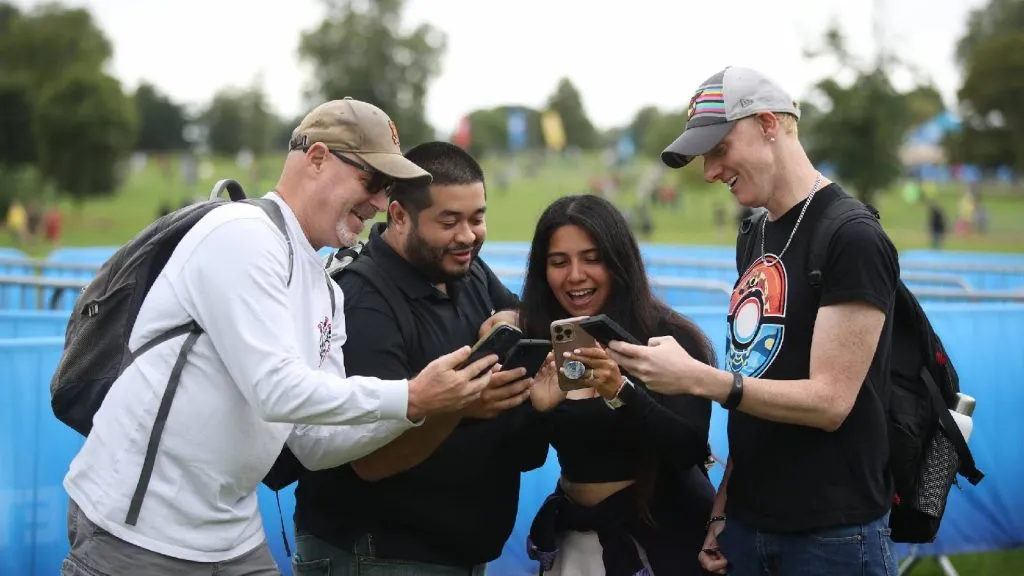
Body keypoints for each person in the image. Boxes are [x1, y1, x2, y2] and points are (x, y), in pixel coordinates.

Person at [59, 100, 500, 576]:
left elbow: (316, 442)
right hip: (137, 530)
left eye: (387, 188)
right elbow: (276, 390)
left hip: (231, 535)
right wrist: (413, 395)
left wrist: (420, 409)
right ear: (317, 159)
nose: (378, 202)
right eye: (372, 182)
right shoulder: (242, 234)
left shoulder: (327, 288)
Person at [609, 66, 901, 575]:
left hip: (831, 534)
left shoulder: (851, 237)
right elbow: (757, 377)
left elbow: (830, 402)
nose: (709, 172)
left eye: (719, 150)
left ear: (768, 123)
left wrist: (699, 379)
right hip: (749, 525)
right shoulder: (755, 234)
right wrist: (723, 509)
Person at [291, 141, 548, 575]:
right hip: (376, 554)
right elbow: (371, 462)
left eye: (477, 218)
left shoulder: (465, 269)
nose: (467, 235)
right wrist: (461, 407)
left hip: (452, 552)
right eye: (449, 221)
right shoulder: (363, 301)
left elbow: (525, 313)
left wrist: (508, 317)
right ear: (398, 216)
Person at [518, 193, 718, 575]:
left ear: (619, 262)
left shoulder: (668, 338)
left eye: (592, 259)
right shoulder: (541, 342)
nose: (575, 275)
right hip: (576, 541)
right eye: (559, 262)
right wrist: (536, 410)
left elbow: (687, 450)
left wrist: (621, 392)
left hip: (662, 543)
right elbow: (527, 457)